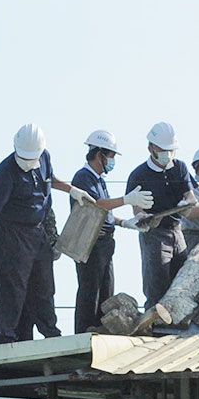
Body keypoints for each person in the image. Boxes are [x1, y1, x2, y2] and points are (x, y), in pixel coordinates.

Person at [0, 125, 87, 343]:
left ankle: (50, 331)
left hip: (38, 230)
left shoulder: (44, 158)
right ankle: (7, 335)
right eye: (24, 157)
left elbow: (50, 179)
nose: (28, 162)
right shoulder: (5, 172)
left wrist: (71, 190)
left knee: (44, 284)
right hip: (11, 234)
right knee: (12, 288)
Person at [68, 131, 155, 333]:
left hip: (104, 242)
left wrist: (125, 222)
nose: (113, 161)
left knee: (106, 289)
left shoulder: (98, 179)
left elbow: (105, 212)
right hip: (90, 242)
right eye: (111, 156)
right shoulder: (83, 177)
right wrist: (126, 200)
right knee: (90, 289)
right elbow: (97, 205)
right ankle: (84, 330)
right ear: (100, 155)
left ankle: (100, 327)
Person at [126, 122, 199, 307]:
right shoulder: (138, 175)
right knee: (157, 285)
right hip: (154, 234)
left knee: (182, 282)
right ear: (150, 148)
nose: (167, 154)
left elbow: (190, 195)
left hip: (177, 230)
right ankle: (156, 328)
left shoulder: (179, 168)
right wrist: (141, 219)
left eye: (171, 150)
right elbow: (137, 209)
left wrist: (188, 203)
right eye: (163, 149)